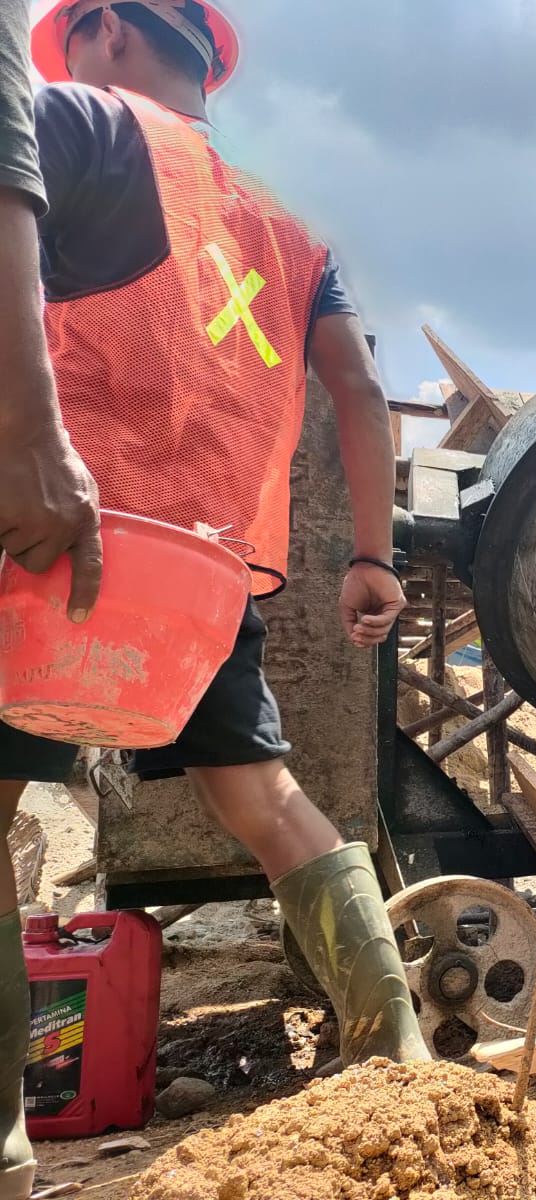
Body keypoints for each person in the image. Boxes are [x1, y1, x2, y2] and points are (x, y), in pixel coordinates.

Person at [3, 8, 430, 1171]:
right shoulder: (291, 227)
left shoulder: (83, 123)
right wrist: (373, 556)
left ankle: (4, 1142)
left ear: (106, 32)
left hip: (52, 543)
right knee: (266, 799)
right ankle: (400, 1062)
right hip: (196, 579)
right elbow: (356, 386)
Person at [0, 3, 102, 1193]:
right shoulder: (264, 214)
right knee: (260, 790)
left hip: (70, 528)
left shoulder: (68, 123)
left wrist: (33, 435)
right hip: (199, 551)